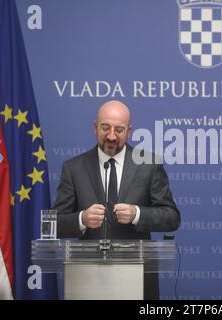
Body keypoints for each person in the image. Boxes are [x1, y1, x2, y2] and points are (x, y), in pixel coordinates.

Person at [52, 100, 181, 300]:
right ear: (95, 127)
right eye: (105, 128)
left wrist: (137, 214)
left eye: (119, 130)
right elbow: (55, 224)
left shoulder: (149, 164)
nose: (111, 136)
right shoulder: (74, 168)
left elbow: (172, 217)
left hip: (137, 276)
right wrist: (82, 219)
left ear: (129, 131)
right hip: (88, 278)